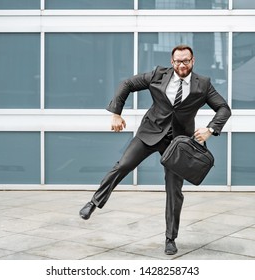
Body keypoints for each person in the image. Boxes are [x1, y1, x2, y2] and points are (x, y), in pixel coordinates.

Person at [79, 44, 231, 255]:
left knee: (173, 191)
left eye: (186, 60)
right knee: (123, 165)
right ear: (172, 61)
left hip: (179, 144)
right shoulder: (159, 75)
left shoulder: (202, 84)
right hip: (150, 132)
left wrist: (210, 129)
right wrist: (116, 113)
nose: (182, 64)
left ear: (193, 61)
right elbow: (127, 83)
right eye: (178, 61)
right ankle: (94, 202)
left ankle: (170, 238)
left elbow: (224, 108)